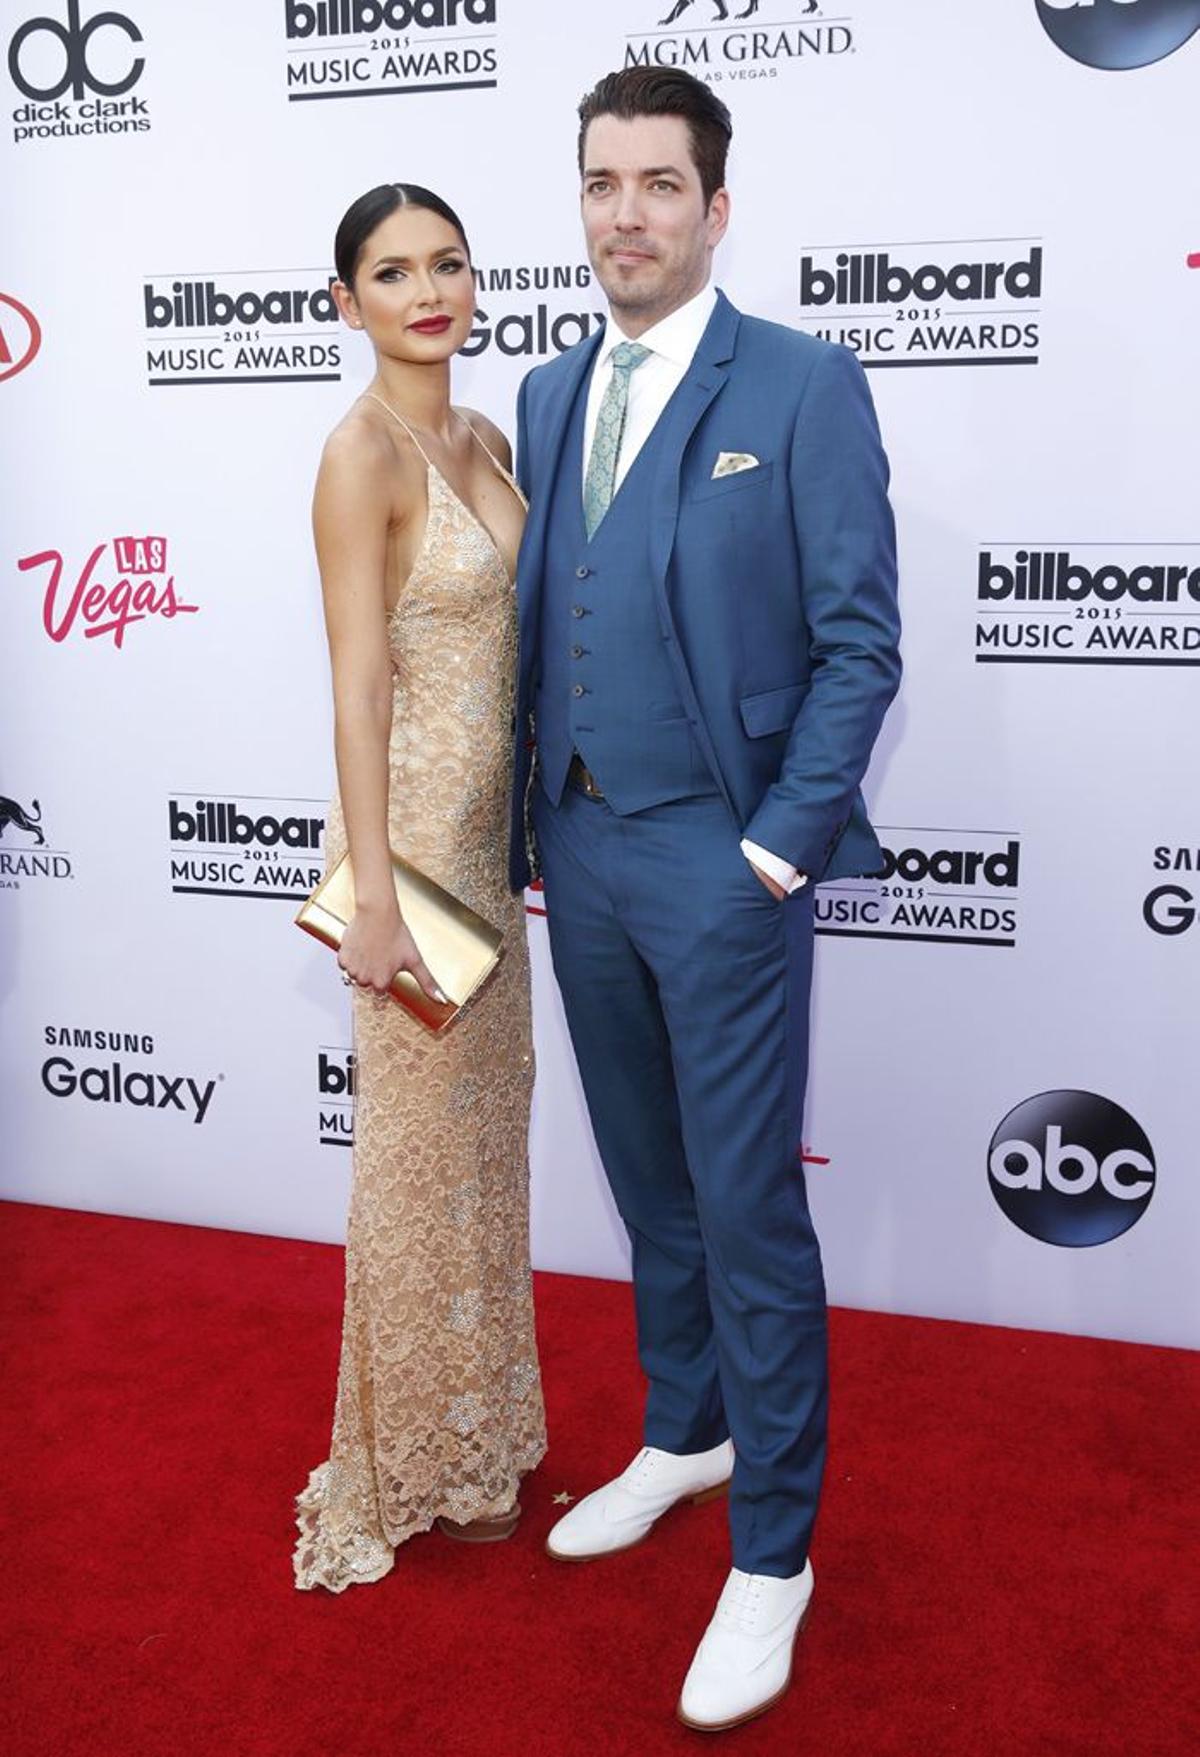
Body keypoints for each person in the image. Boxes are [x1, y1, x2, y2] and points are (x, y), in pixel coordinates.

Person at [509, 69, 900, 1728]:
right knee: (649, 1180)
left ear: (715, 208)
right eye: (603, 184)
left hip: (724, 860)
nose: (627, 215)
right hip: (580, 852)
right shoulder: (544, 390)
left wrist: (775, 848)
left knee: (749, 1209)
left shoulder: (805, 385)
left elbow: (860, 645)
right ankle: (686, 1429)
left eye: (660, 185)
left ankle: (775, 1554)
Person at [293, 184, 546, 1592]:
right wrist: (375, 890)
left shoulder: (485, 434)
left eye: (447, 262)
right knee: (407, 1165)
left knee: (480, 1160)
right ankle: (402, 1461)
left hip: (495, 857)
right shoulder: (360, 455)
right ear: (348, 301)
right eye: (392, 271)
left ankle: (481, 1432)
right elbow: (357, 688)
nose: (427, 289)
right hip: (418, 866)